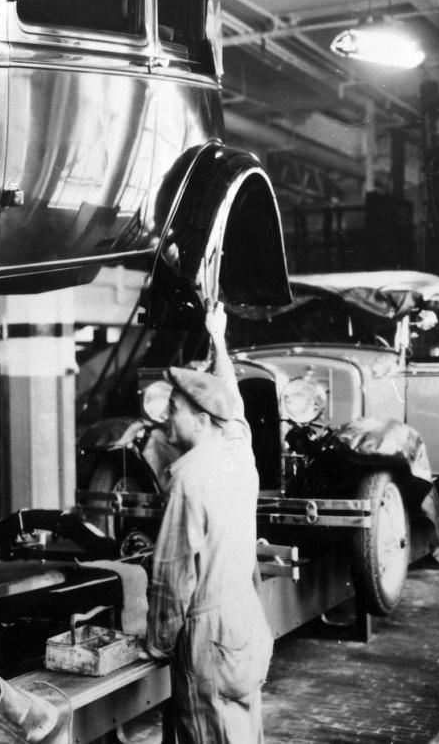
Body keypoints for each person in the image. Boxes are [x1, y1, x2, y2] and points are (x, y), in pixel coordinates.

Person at [146, 299, 272, 744]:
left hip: (207, 636)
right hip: (245, 621)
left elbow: (171, 576)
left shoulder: (191, 480)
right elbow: (231, 403)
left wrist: (157, 644)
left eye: (174, 409)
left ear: (201, 420)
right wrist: (218, 336)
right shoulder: (240, 454)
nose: (166, 417)